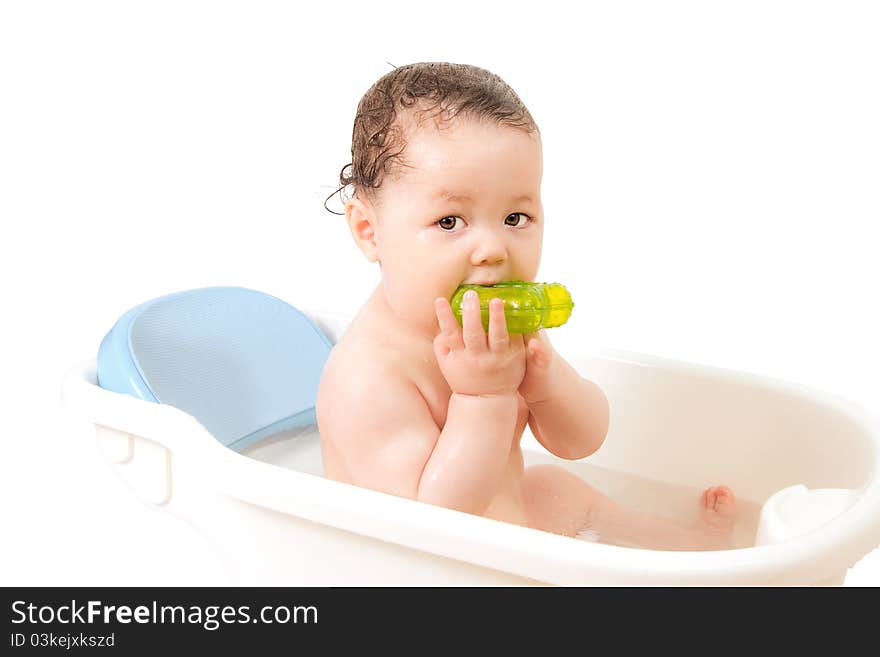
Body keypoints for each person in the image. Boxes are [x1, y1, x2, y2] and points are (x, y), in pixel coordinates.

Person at [317, 62, 736, 550]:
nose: (493, 249)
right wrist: (484, 398)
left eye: (515, 217)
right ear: (370, 232)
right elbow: (431, 522)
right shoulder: (367, 378)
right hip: (419, 571)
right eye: (450, 221)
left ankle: (693, 552)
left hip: (502, 534)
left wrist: (547, 382)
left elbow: (580, 442)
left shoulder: (494, 330)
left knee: (553, 489)